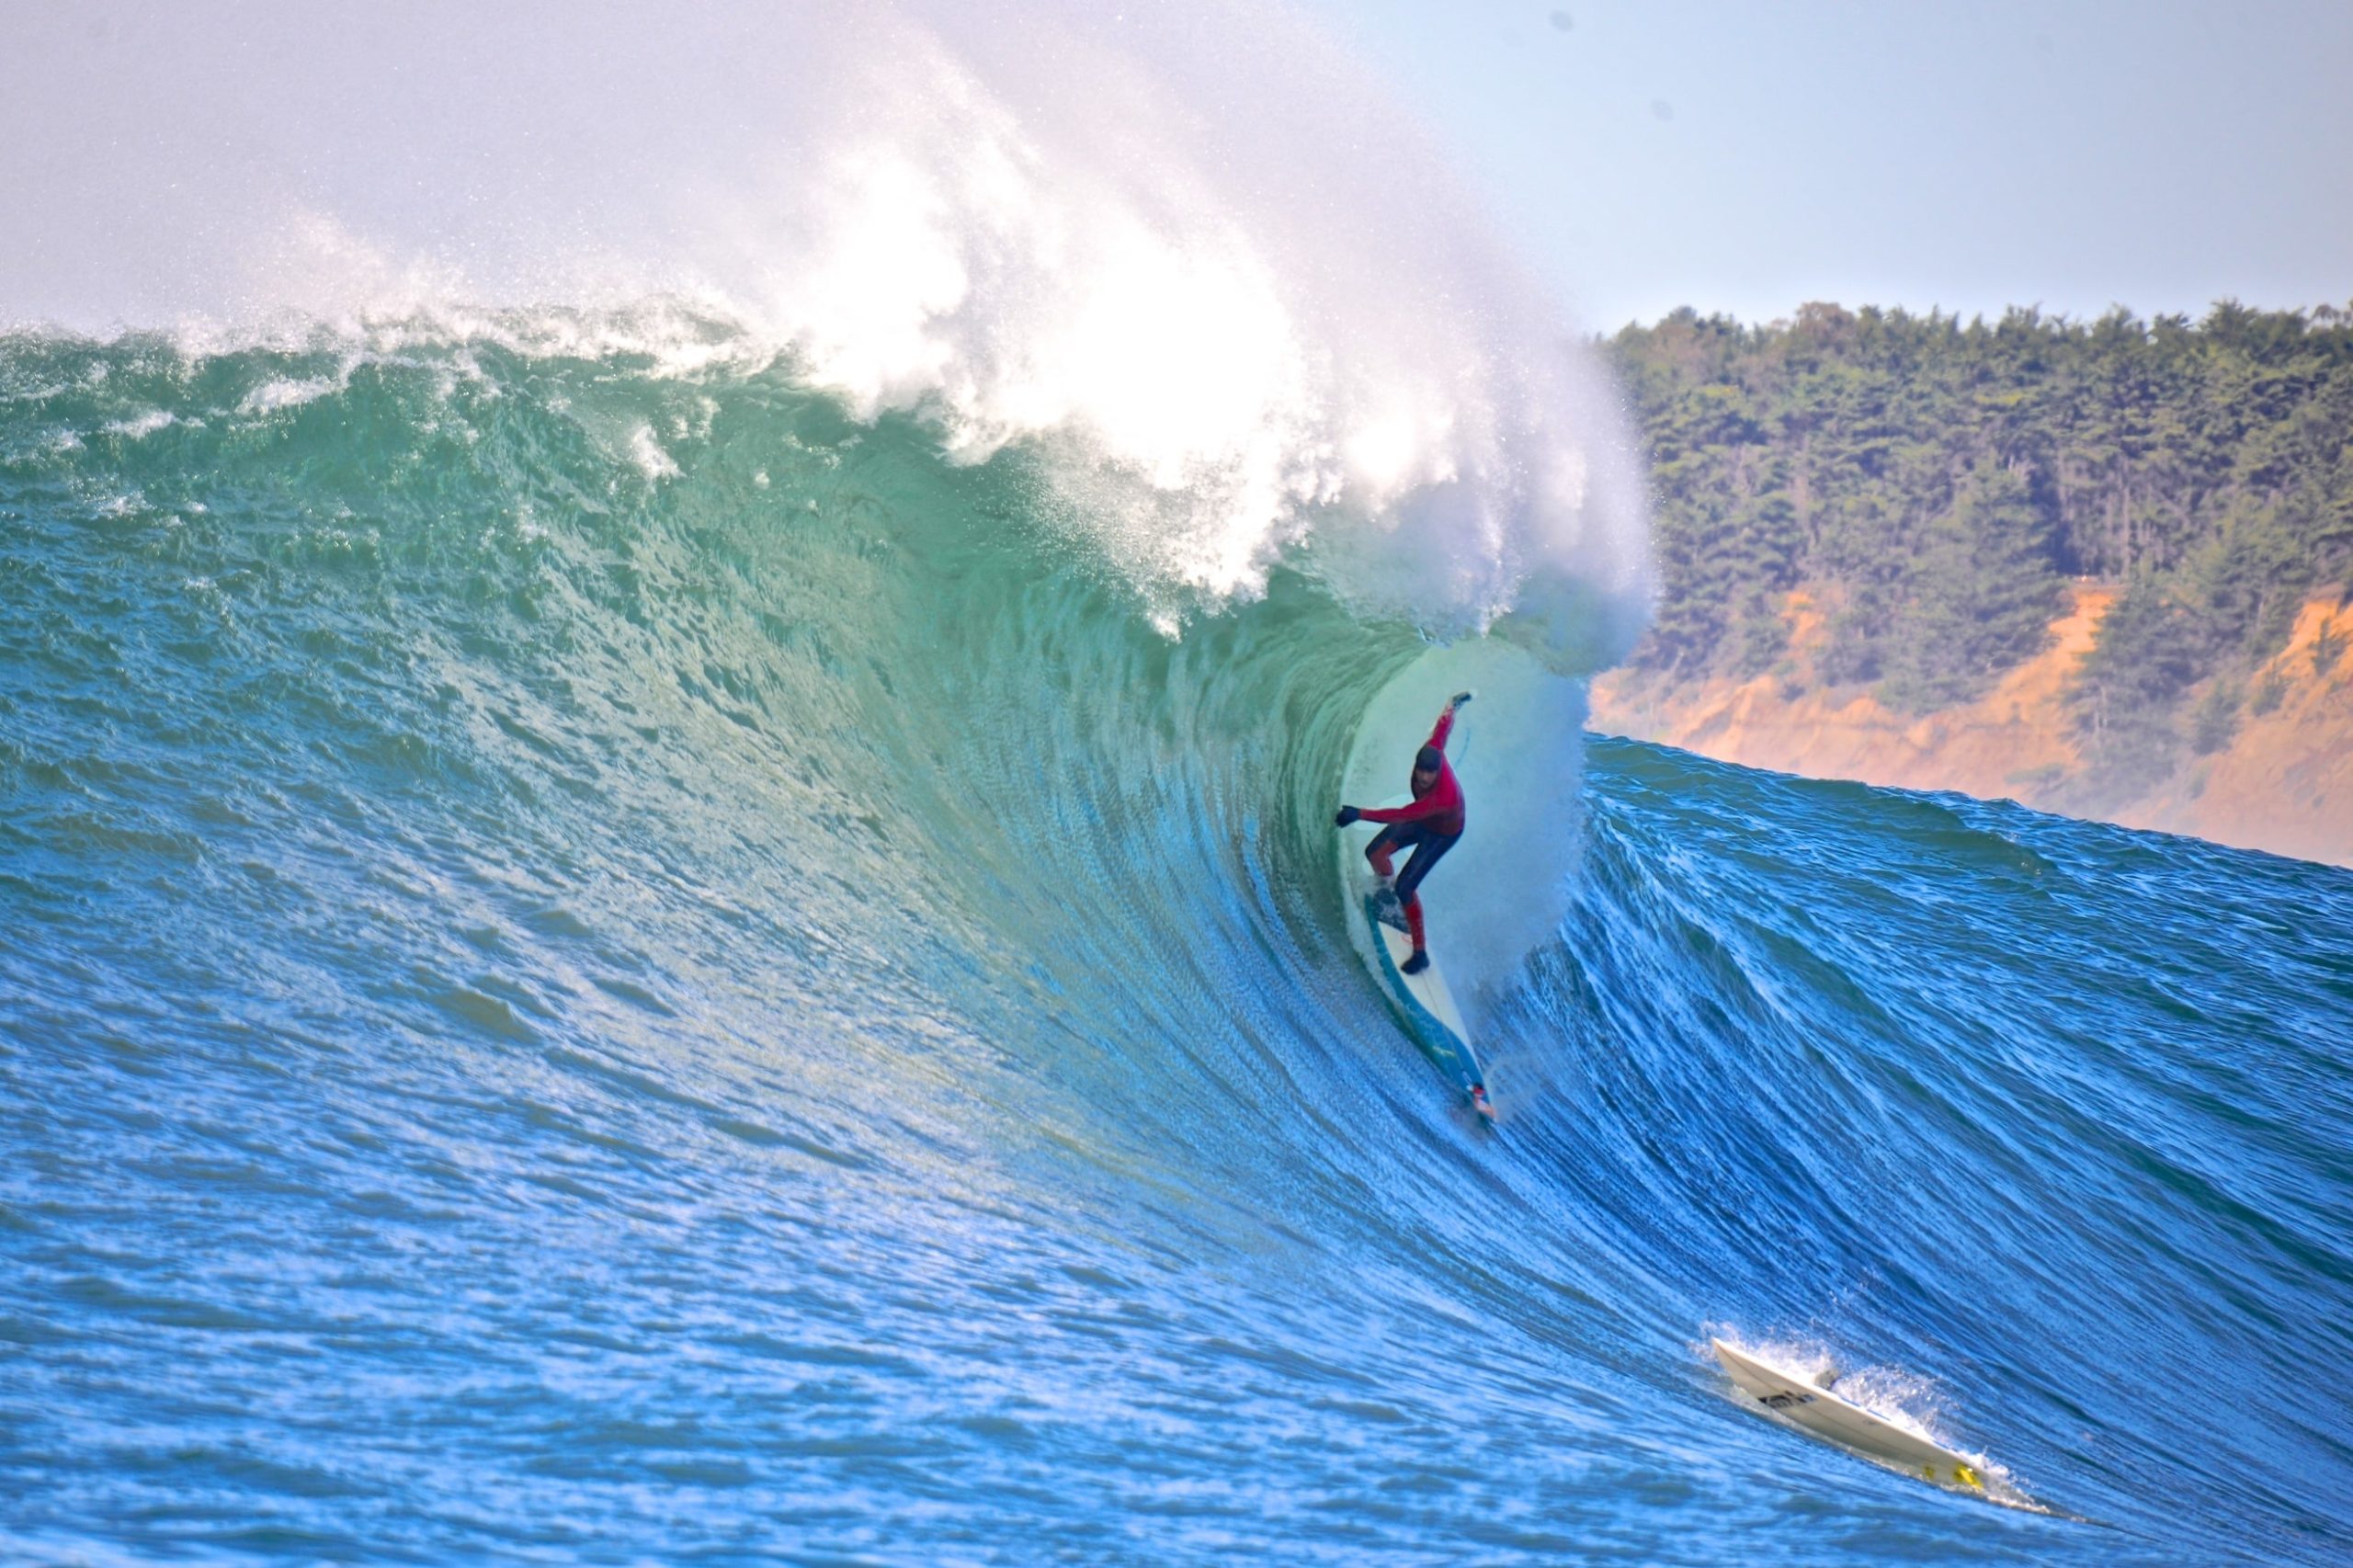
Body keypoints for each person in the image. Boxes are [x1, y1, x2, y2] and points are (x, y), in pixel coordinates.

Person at [1333, 691, 1472, 975]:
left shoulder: (1441, 797)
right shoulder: (1433, 749)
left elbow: (1402, 814)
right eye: (1420, 772)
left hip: (1443, 832)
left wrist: (1358, 813)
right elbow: (1441, 730)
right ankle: (1385, 890)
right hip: (1424, 819)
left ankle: (1420, 953)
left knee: (1406, 887)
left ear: (1437, 772)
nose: (1423, 778)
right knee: (1375, 853)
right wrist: (1451, 706)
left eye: (1428, 775)